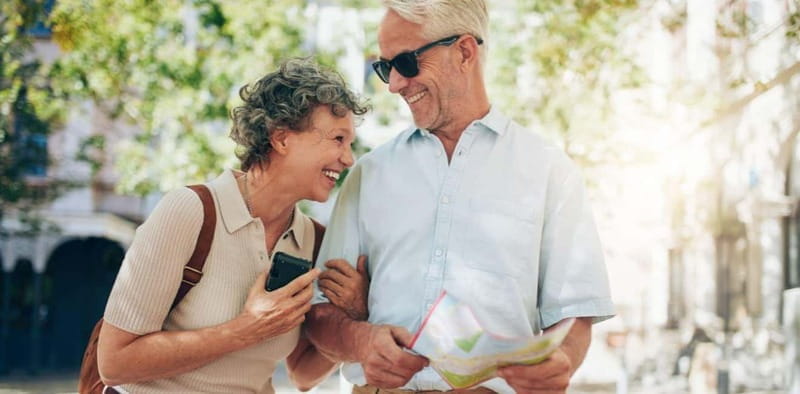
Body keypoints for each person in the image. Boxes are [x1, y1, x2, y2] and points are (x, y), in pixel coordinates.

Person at [305, 1, 615, 393]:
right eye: (385, 68)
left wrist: (561, 363)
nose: (395, 84)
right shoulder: (369, 174)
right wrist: (361, 341)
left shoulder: (551, 171)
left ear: (465, 52)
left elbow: (574, 316)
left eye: (406, 62)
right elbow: (320, 315)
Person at [97, 58, 370, 393]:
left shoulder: (313, 240)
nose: (348, 159)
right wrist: (245, 330)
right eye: (338, 139)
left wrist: (356, 312)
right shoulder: (191, 212)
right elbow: (113, 363)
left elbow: (302, 374)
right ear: (282, 139)